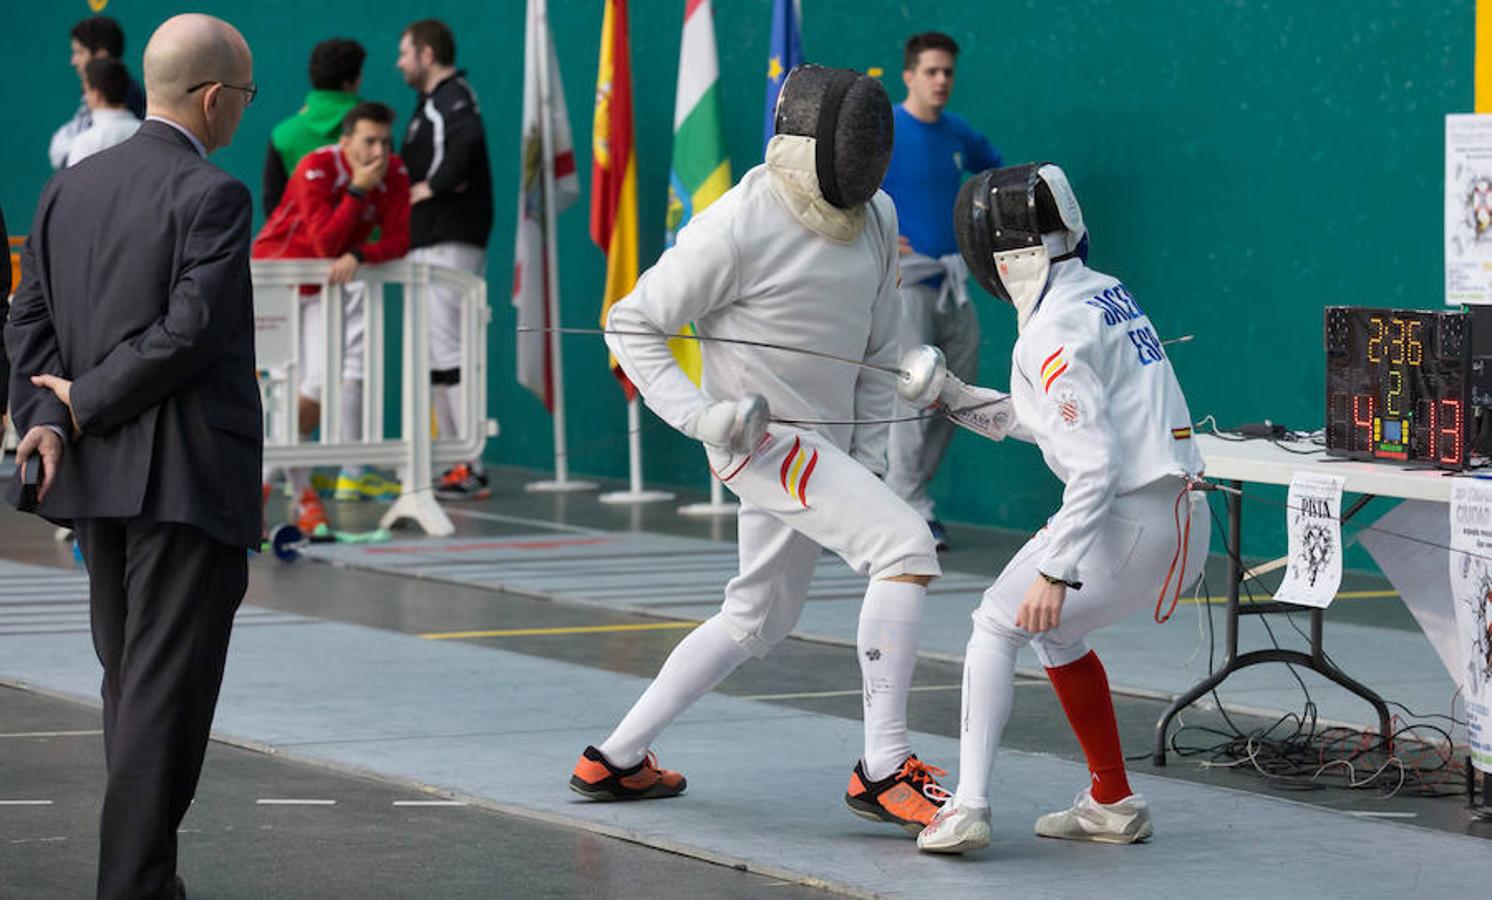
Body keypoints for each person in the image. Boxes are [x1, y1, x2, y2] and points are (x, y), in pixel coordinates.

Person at [573, 65, 951, 835]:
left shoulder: (875, 214)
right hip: (765, 443)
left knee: (756, 619)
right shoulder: (737, 222)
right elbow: (631, 321)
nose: (865, 163)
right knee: (906, 544)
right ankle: (883, 769)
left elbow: (878, 351)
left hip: (829, 450)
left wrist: (870, 458)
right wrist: (700, 415)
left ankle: (614, 759)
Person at [6, 14, 260, 897]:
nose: (242, 114)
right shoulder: (214, 196)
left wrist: (48, 415)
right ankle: (135, 887)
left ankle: (147, 877)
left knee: (134, 690)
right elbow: (191, 332)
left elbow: (26, 321)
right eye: (246, 97)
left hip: (93, 482)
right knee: (163, 699)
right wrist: (85, 400)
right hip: (185, 481)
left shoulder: (65, 190)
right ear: (217, 96)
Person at [901, 163, 1210, 854]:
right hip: (1183, 520)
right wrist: (954, 395)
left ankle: (968, 808)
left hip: (1125, 523)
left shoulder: (1051, 331)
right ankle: (1111, 800)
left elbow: (1093, 462)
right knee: (1056, 635)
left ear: (1002, 253)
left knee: (994, 623)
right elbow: (1056, 420)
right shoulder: (1103, 294)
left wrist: (1057, 569)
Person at [253, 102, 411, 533]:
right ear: (345, 142)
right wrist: (358, 190)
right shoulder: (314, 167)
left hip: (326, 286)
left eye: (385, 141)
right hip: (275, 282)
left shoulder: (395, 173)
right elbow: (325, 242)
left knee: (318, 387)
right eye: (369, 141)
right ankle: (304, 501)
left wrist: (361, 253)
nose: (379, 151)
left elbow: (399, 241)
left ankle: (263, 490)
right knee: (281, 393)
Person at [879, 32, 1002, 552]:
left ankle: (906, 492)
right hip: (906, 285)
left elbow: (994, 172)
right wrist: (881, 238)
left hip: (954, 283)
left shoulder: (957, 134)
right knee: (909, 397)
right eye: (931, 71)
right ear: (909, 75)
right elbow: (847, 188)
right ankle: (907, 505)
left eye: (947, 72)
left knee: (958, 393)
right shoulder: (885, 129)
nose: (941, 80)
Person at [396, 18, 494, 499]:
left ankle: (469, 463)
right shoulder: (432, 105)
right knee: (440, 351)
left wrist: (429, 186)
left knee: (451, 349)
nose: (400, 63)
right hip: (432, 239)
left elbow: (466, 147)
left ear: (427, 54)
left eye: (405, 53)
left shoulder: (453, 99)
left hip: (449, 236)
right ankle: (459, 459)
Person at [262, 38, 365, 217]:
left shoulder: (283, 135)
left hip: (306, 242)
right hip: (368, 243)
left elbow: (273, 206)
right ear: (350, 82)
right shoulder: (375, 129)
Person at [50, 16, 147, 170]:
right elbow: (59, 150)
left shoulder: (128, 99)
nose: (73, 61)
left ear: (101, 55)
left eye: (79, 53)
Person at [64, 58, 142, 167]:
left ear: (97, 95)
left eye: (85, 91)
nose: (85, 97)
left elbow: (73, 183)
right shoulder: (144, 132)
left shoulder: (85, 143)